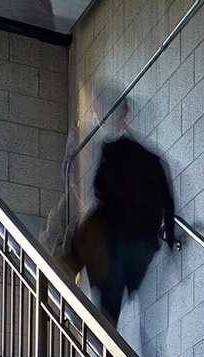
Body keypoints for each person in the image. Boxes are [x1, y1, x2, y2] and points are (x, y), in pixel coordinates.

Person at [72, 99, 179, 324]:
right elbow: (167, 202)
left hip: (112, 241)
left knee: (108, 307)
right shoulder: (153, 159)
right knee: (119, 311)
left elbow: (101, 188)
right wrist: (168, 238)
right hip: (141, 247)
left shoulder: (111, 151)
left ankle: (61, 290)